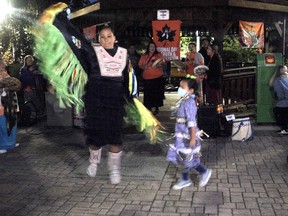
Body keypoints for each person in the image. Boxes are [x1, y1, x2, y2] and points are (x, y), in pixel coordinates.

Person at [84, 26, 129, 184]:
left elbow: (125, 80)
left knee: (115, 137)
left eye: (109, 36)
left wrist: (129, 99)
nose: (105, 39)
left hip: (115, 100)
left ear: (114, 37)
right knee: (96, 135)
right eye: (102, 37)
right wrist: (64, 24)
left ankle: (114, 169)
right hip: (96, 100)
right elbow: (77, 45)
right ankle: (94, 162)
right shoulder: (91, 53)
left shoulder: (124, 53)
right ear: (98, 39)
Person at [166, 78, 212, 190]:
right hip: (181, 135)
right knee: (184, 158)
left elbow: (192, 123)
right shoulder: (184, 101)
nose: (179, 89)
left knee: (186, 158)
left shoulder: (190, 103)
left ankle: (199, 174)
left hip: (187, 136)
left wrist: (192, 139)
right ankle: (188, 178)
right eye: (179, 87)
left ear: (191, 90)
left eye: (182, 88)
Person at [138, 42, 165, 115]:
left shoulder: (159, 55)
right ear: (148, 48)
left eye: (153, 46)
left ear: (155, 48)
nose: (152, 48)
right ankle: (148, 107)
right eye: (151, 47)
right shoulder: (144, 56)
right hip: (147, 78)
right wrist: (144, 67)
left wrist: (160, 64)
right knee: (148, 93)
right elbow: (140, 65)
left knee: (157, 93)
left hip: (157, 77)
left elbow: (163, 63)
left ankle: (156, 107)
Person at [273, 65, 288, 134]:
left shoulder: (278, 80)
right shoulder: (283, 79)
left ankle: (284, 128)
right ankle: (284, 128)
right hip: (283, 101)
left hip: (282, 102)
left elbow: (279, 92)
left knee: (278, 112)